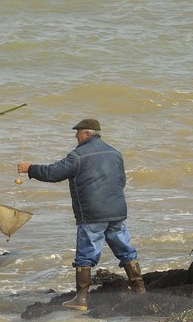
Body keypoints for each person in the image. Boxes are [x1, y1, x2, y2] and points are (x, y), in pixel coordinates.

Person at [17, 118, 144, 310]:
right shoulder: (115, 153)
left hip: (91, 213)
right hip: (117, 211)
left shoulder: (77, 156)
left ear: (85, 133)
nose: (76, 136)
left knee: (86, 254)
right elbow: (121, 182)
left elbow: (53, 173)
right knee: (126, 251)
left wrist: (31, 169)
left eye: (77, 133)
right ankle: (140, 293)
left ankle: (81, 299)